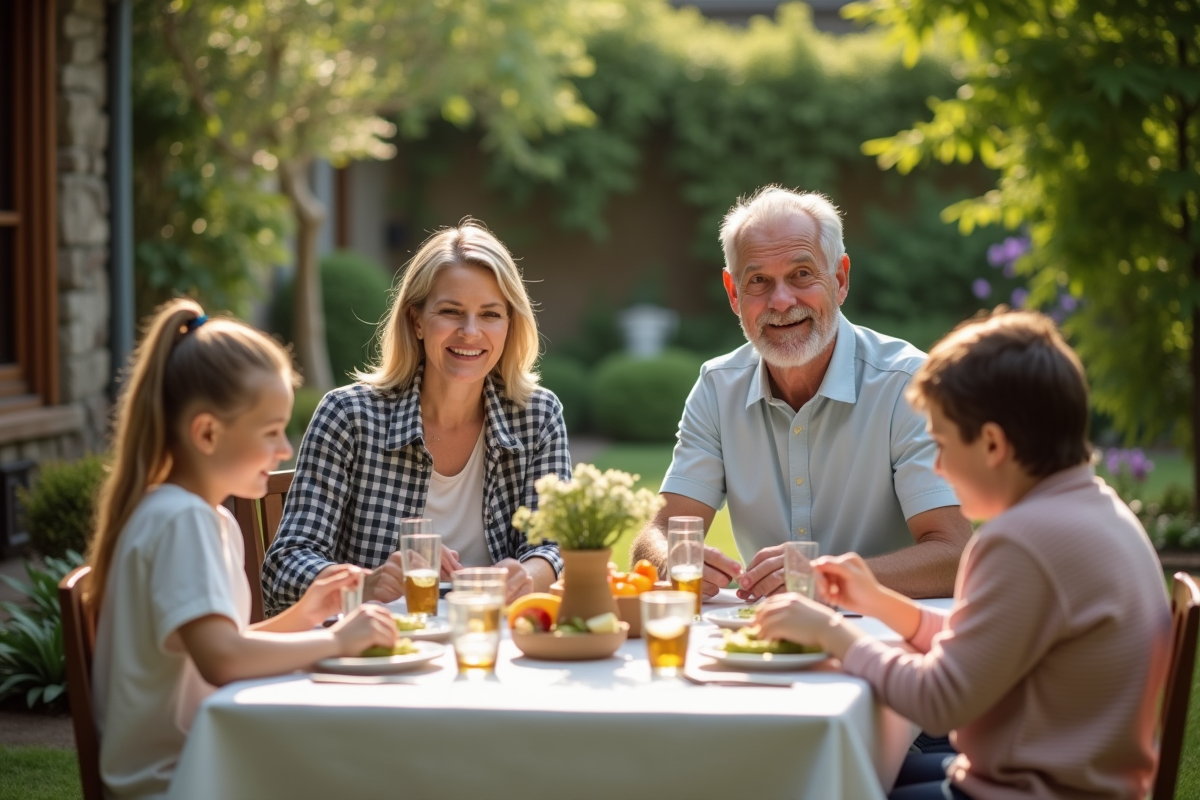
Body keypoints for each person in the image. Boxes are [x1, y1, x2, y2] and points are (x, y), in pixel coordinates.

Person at [754, 310, 1172, 800]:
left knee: (805, 785)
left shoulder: (1023, 542)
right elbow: (979, 644)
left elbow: (939, 701)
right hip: (1073, 782)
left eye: (943, 444)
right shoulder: (1092, 511)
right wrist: (878, 601)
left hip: (1029, 790)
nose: (937, 465)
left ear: (992, 443)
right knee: (848, 774)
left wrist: (833, 633)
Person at [89, 299, 397, 800]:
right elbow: (222, 661)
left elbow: (217, 645)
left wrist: (302, 615)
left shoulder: (208, 517)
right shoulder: (181, 520)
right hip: (178, 782)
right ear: (207, 433)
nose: (284, 451)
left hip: (206, 763)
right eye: (271, 432)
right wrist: (338, 642)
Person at [631, 186, 971, 599]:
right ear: (734, 294)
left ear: (840, 279)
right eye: (758, 280)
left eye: (801, 274)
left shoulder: (907, 384)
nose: (781, 301)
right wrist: (676, 560)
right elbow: (659, 534)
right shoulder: (717, 388)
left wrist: (819, 579)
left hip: (891, 642)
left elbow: (954, 555)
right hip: (768, 647)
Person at [263, 220, 569, 614]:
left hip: (492, 642)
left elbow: (556, 546)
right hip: (375, 654)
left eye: (490, 314)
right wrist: (366, 583)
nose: (471, 332)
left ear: (510, 325)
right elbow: (285, 564)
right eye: (450, 311)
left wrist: (528, 575)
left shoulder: (538, 417)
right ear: (416, 321)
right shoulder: (348, 416)